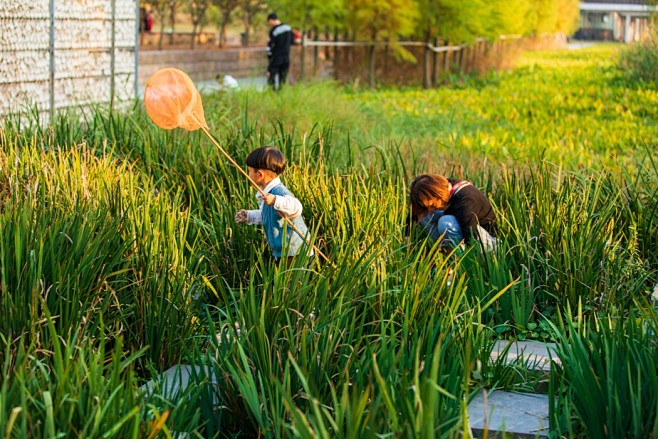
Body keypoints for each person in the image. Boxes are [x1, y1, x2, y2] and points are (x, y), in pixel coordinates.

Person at [235, 146, 312, 262]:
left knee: (290, 280)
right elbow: (270, 216)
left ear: (260, 174)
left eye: (249, 171)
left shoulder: (279, 192)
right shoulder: (266, 193)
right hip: (284, 251)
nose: (248, 175)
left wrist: (276, 200)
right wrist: (250, 216)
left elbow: (296, 207)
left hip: (295, 251)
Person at [409, 174, 497, 252]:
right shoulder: (444, 186)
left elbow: (471, 235)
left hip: (483, 241)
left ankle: (456, 258)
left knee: (446, 222)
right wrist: (407, 235)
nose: (432, 208)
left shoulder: (466, 200)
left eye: (432, 205)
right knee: (424, 215)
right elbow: (418, 210)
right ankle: (445, 249)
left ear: (438, 195)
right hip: (463, 227)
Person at [266, 12, 292, 90]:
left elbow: (270, 45)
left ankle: (273, 92)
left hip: (276, 57)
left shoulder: (273, 31)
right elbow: (293, 40)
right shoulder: (288, 28)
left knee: (270, 75)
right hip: (286, 57)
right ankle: (281, 93)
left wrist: (269, 56)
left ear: (271, 20)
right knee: (283, 77)